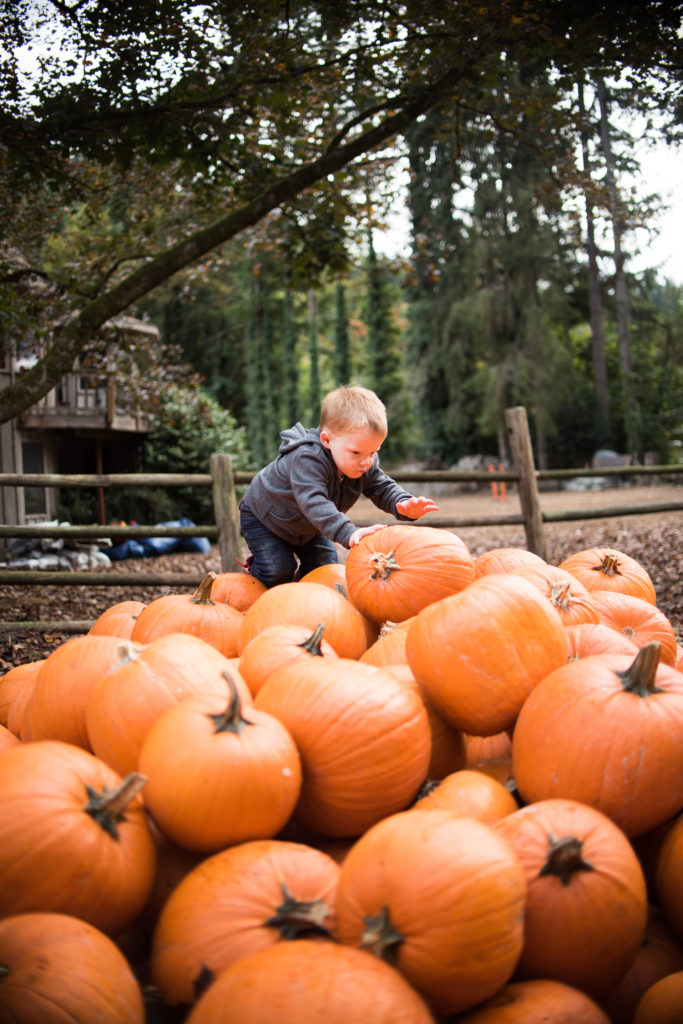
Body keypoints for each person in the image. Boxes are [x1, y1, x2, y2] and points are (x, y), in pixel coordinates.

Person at [238, 385, 439, 588]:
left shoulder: (363, 462)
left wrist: (402, 503)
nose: (366, 462)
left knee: (324, 567)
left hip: (308, 526)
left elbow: (381, 486)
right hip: (265, 518)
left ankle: (300, 599)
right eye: (356, 453)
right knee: (276, 569)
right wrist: (348, 531)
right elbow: (314, 502)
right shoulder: (307, 459)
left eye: (373, 452)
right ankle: (253, 580)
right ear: (326, 440)